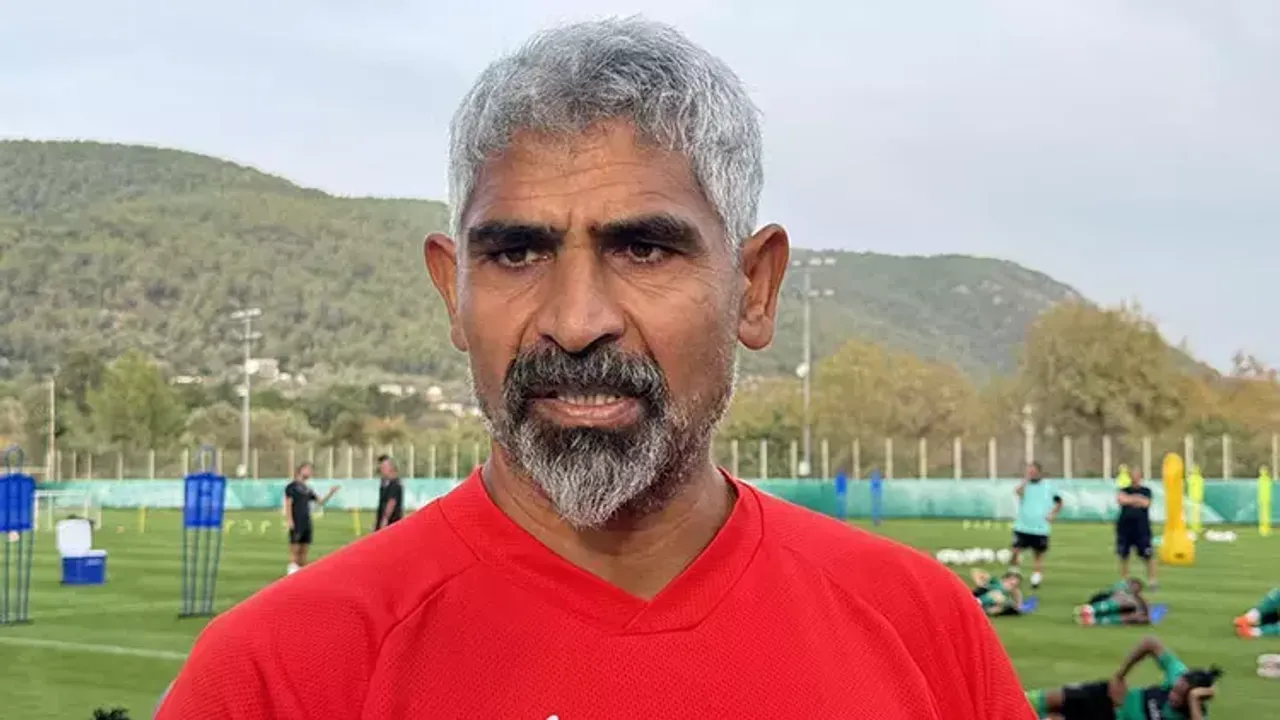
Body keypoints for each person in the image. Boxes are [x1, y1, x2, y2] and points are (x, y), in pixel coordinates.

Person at [156, 18, 1032, 719]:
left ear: (755, 289)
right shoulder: (277, 674)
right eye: (516, 254)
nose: (576, 323)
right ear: (452, 291)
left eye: (644, 248)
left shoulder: (921, 628)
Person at [1025, 636, 1221, 719]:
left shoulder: (1194, 714)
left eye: (1180, 695)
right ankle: (1011, 702)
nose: (1172, 695)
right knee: (1049, 699)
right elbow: (1150, 643)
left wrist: (1194, 699)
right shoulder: (1179, 675)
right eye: (1174, 689)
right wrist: (1120, 676)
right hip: (1112, 699)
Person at [1010, 461, 1062, 588]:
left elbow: (1059, 502)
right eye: (1028, 471)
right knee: (1015, 550)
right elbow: (1017, 492)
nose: (1030, 473)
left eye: (1033, 471)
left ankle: (1036, 578)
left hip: (1040, 527)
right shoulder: (1024, 485)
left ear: (1039, 472)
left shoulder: (1048, 486)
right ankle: (1014, 573)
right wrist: (1025, 480)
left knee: (1037, 554)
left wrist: (1052, 514)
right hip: (1022, 525)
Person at [282, 462, 338, 575]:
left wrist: (331, 493)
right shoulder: (292, 487)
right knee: (295, 550)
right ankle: (291, 574)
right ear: (301, 470)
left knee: (304, 551)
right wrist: (290, 520)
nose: (310, 472)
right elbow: (288, 504)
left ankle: (301, 575)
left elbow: (320, 502)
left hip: (306, 522)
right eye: (308, 469)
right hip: (296, 522)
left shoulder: (307, 489)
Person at [1116, 468, 1157, 589]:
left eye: (1137, 475)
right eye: (1133, 475)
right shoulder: (1124, 490)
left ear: (1140, 477)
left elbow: (1146, 503)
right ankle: (1124, 581)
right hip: (1125, 528)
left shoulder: (1146, 491)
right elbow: (1121, 500)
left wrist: (1130, 500)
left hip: (1142, 528)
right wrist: (1137, 499)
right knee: (1124, 555)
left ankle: (1152, 581)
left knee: (1148, 555)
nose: (1135, 478)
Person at [1074, 578, 1150, 626]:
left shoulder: (1137, 598)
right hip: (1104, 600)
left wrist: (1141, 602)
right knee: (1125, 600)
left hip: (1120, 608)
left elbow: (1147, 615)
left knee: (1137, 617)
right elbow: (1118, 592)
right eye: (1135, 586)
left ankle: (1093, 620)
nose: (1136, 589)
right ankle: (1089, 610)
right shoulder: (1121, 586)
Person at [373, 455, 404, 530]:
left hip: (391, 524)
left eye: (384, 467)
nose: (381, 470)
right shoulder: (384, 483)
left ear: (390, 468)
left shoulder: (395, 484)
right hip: (384, 523)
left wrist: (384, 521)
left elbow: (391, 502)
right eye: (381, 468)